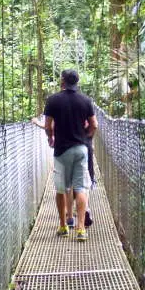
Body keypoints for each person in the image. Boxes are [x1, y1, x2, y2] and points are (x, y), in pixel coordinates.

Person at [42, 69, 98, 241]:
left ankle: (63, 226)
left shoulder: (52, 100)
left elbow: (48, 126)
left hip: (61, 151)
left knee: (61, 189)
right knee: (81, 188)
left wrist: (51, 138)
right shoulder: (86, 100)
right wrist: (85, 137)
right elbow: (94, 125)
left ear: (62, 81)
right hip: (81, 149)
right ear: (77, 82)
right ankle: (81, 229)